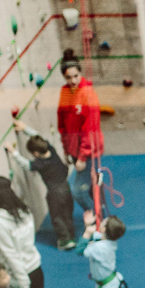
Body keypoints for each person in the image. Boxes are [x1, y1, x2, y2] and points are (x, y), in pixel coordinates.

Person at [9, 119, 78, 250]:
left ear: (35, 154)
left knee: (57, 216)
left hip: (54, 192)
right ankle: (71, 235)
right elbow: (41, 138)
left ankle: (65, 240)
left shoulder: (40, 164)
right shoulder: (51, 150)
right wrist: (25, 128)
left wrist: (14, 153)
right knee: (67, 214)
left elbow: (26, 164)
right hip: (65, 188)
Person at [57, 49, 104, 215]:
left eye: (76, 76)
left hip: (88, 151)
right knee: (91, 187)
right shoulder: (65, 92)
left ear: (80, 73)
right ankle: (102, 216)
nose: (73, 80)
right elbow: (62, 123)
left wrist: (83, 156)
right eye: (68, 77)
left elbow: (90, 128)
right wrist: (66, 149)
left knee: (78, 191)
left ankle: (97, 219)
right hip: (74, 149)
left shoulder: (88, 94)